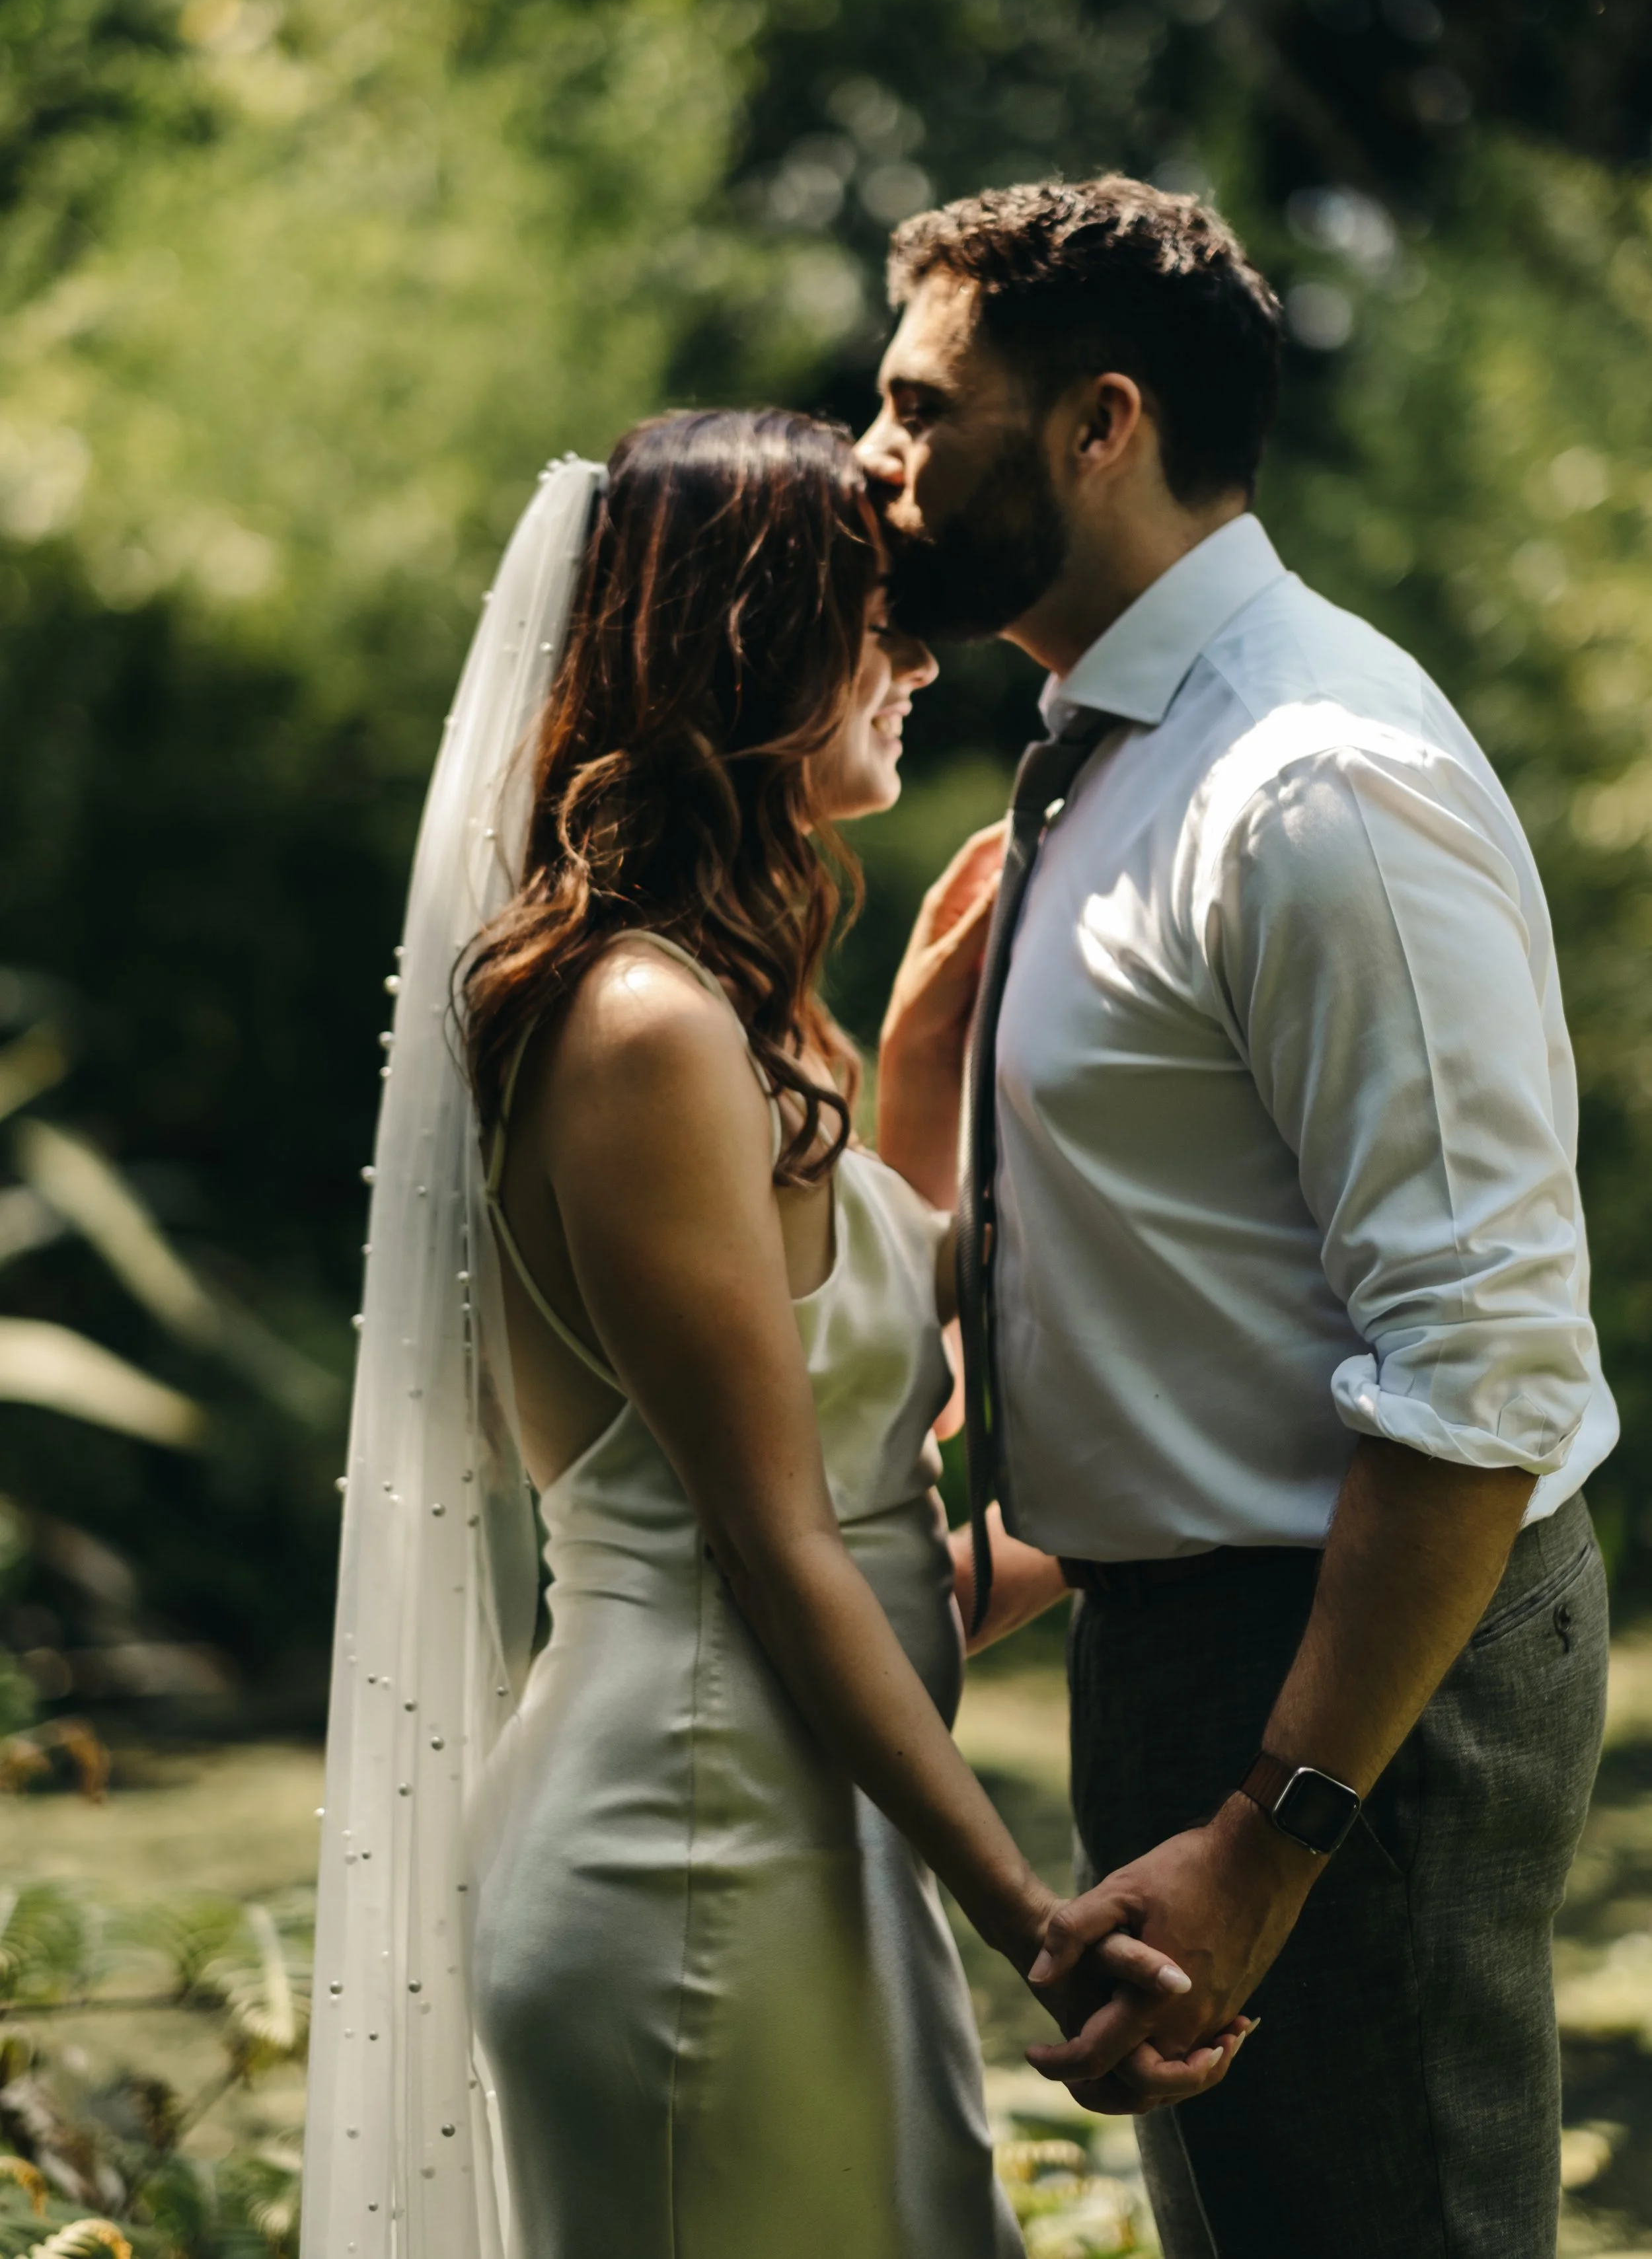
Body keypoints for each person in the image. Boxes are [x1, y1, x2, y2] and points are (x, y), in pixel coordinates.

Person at [302, 409, 1239, 2259]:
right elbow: (771, 1539)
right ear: (739, 643)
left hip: (803, 1816)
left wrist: (1255, 1501)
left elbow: (873, 1475)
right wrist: (1034, 1916)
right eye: (868, 616)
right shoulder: (639, 1026)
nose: (913, 656)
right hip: (689, 1837)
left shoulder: (759, 1024)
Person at [863, 178, 1616, 2259]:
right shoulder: (1110, 750)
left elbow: (1479, 1372)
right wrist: (966, 1574)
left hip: (1357, 1679)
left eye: (923, 409)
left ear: (1100, 424)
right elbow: (1196, 1293)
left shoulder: (1310, 784)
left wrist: (1264, 1841)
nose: (874, 458)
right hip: (1187, 1633)